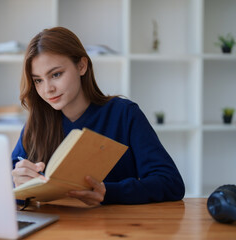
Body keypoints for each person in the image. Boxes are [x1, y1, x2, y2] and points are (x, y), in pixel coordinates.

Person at [11, 27, 185, 206]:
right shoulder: (37, 123)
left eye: (56, 74)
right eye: (38, 80)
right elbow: (5, 188)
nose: (47, 89)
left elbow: (171, 183)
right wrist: (19, 186)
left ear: (82, 66)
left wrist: (108, 192)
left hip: (115, 228)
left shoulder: (124, 114)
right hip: (55, 228)